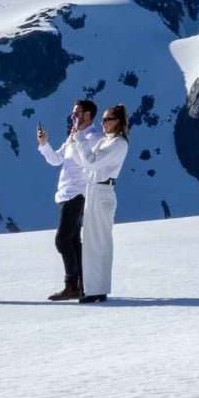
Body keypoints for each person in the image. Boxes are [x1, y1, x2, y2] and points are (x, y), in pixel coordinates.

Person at [35, 99, 101, 300]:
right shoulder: (74, 136)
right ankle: (81, 284)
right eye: (73, 113)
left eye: (77, 113)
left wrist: (77, 139)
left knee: (62, 239)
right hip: (67, 192)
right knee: (72, 240)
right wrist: (44, 144)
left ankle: (72, 284)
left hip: (78, 193)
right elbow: (57, 160)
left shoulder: (94, 138)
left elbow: (89, 163)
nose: (73, 117)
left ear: (88, 115)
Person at [67, 104, 129, 304]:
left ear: (117, 121)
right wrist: (74, 141)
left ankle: (98, 289)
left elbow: (92, 162)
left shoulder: (118, 143)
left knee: (100, 241)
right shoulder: (105, 140)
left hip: (103, 191)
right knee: (91, 241)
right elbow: (85, 163)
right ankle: (93, 288)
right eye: (102, 119)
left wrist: (80, 139)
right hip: (94, 189)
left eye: (107, 119)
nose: (103, 123)